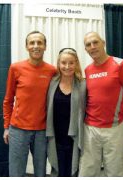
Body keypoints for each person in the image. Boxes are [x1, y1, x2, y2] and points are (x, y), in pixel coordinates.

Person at [79, 32, 123, 177]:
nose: (92, 47)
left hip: (115, 130)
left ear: (103, 43)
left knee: (116, 173)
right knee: (87, 173)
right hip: (90, 130)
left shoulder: (120, 65)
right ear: (85, 49)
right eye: (88, 45)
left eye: (95, 42)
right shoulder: (87, 70)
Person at [3, 31, 56, 176]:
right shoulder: (16, 68)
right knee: (16, 172)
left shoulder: (52, 71)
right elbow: (8, 100)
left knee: (41, 172)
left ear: (45, 46)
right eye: (32, 43)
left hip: (42, 130)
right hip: (18, 129)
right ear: (26, 46)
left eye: (39, 42)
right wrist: (6, 127)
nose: (36, 46)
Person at [46, 48, 86, 176]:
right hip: (56, 136)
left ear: (76, 63)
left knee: (74, 170)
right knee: (59, 170)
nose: (67, 66)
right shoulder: (51, 83)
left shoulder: (83, 85)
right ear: (58, 64)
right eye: (63, 63)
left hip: (75, 137)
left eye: (71, 63)